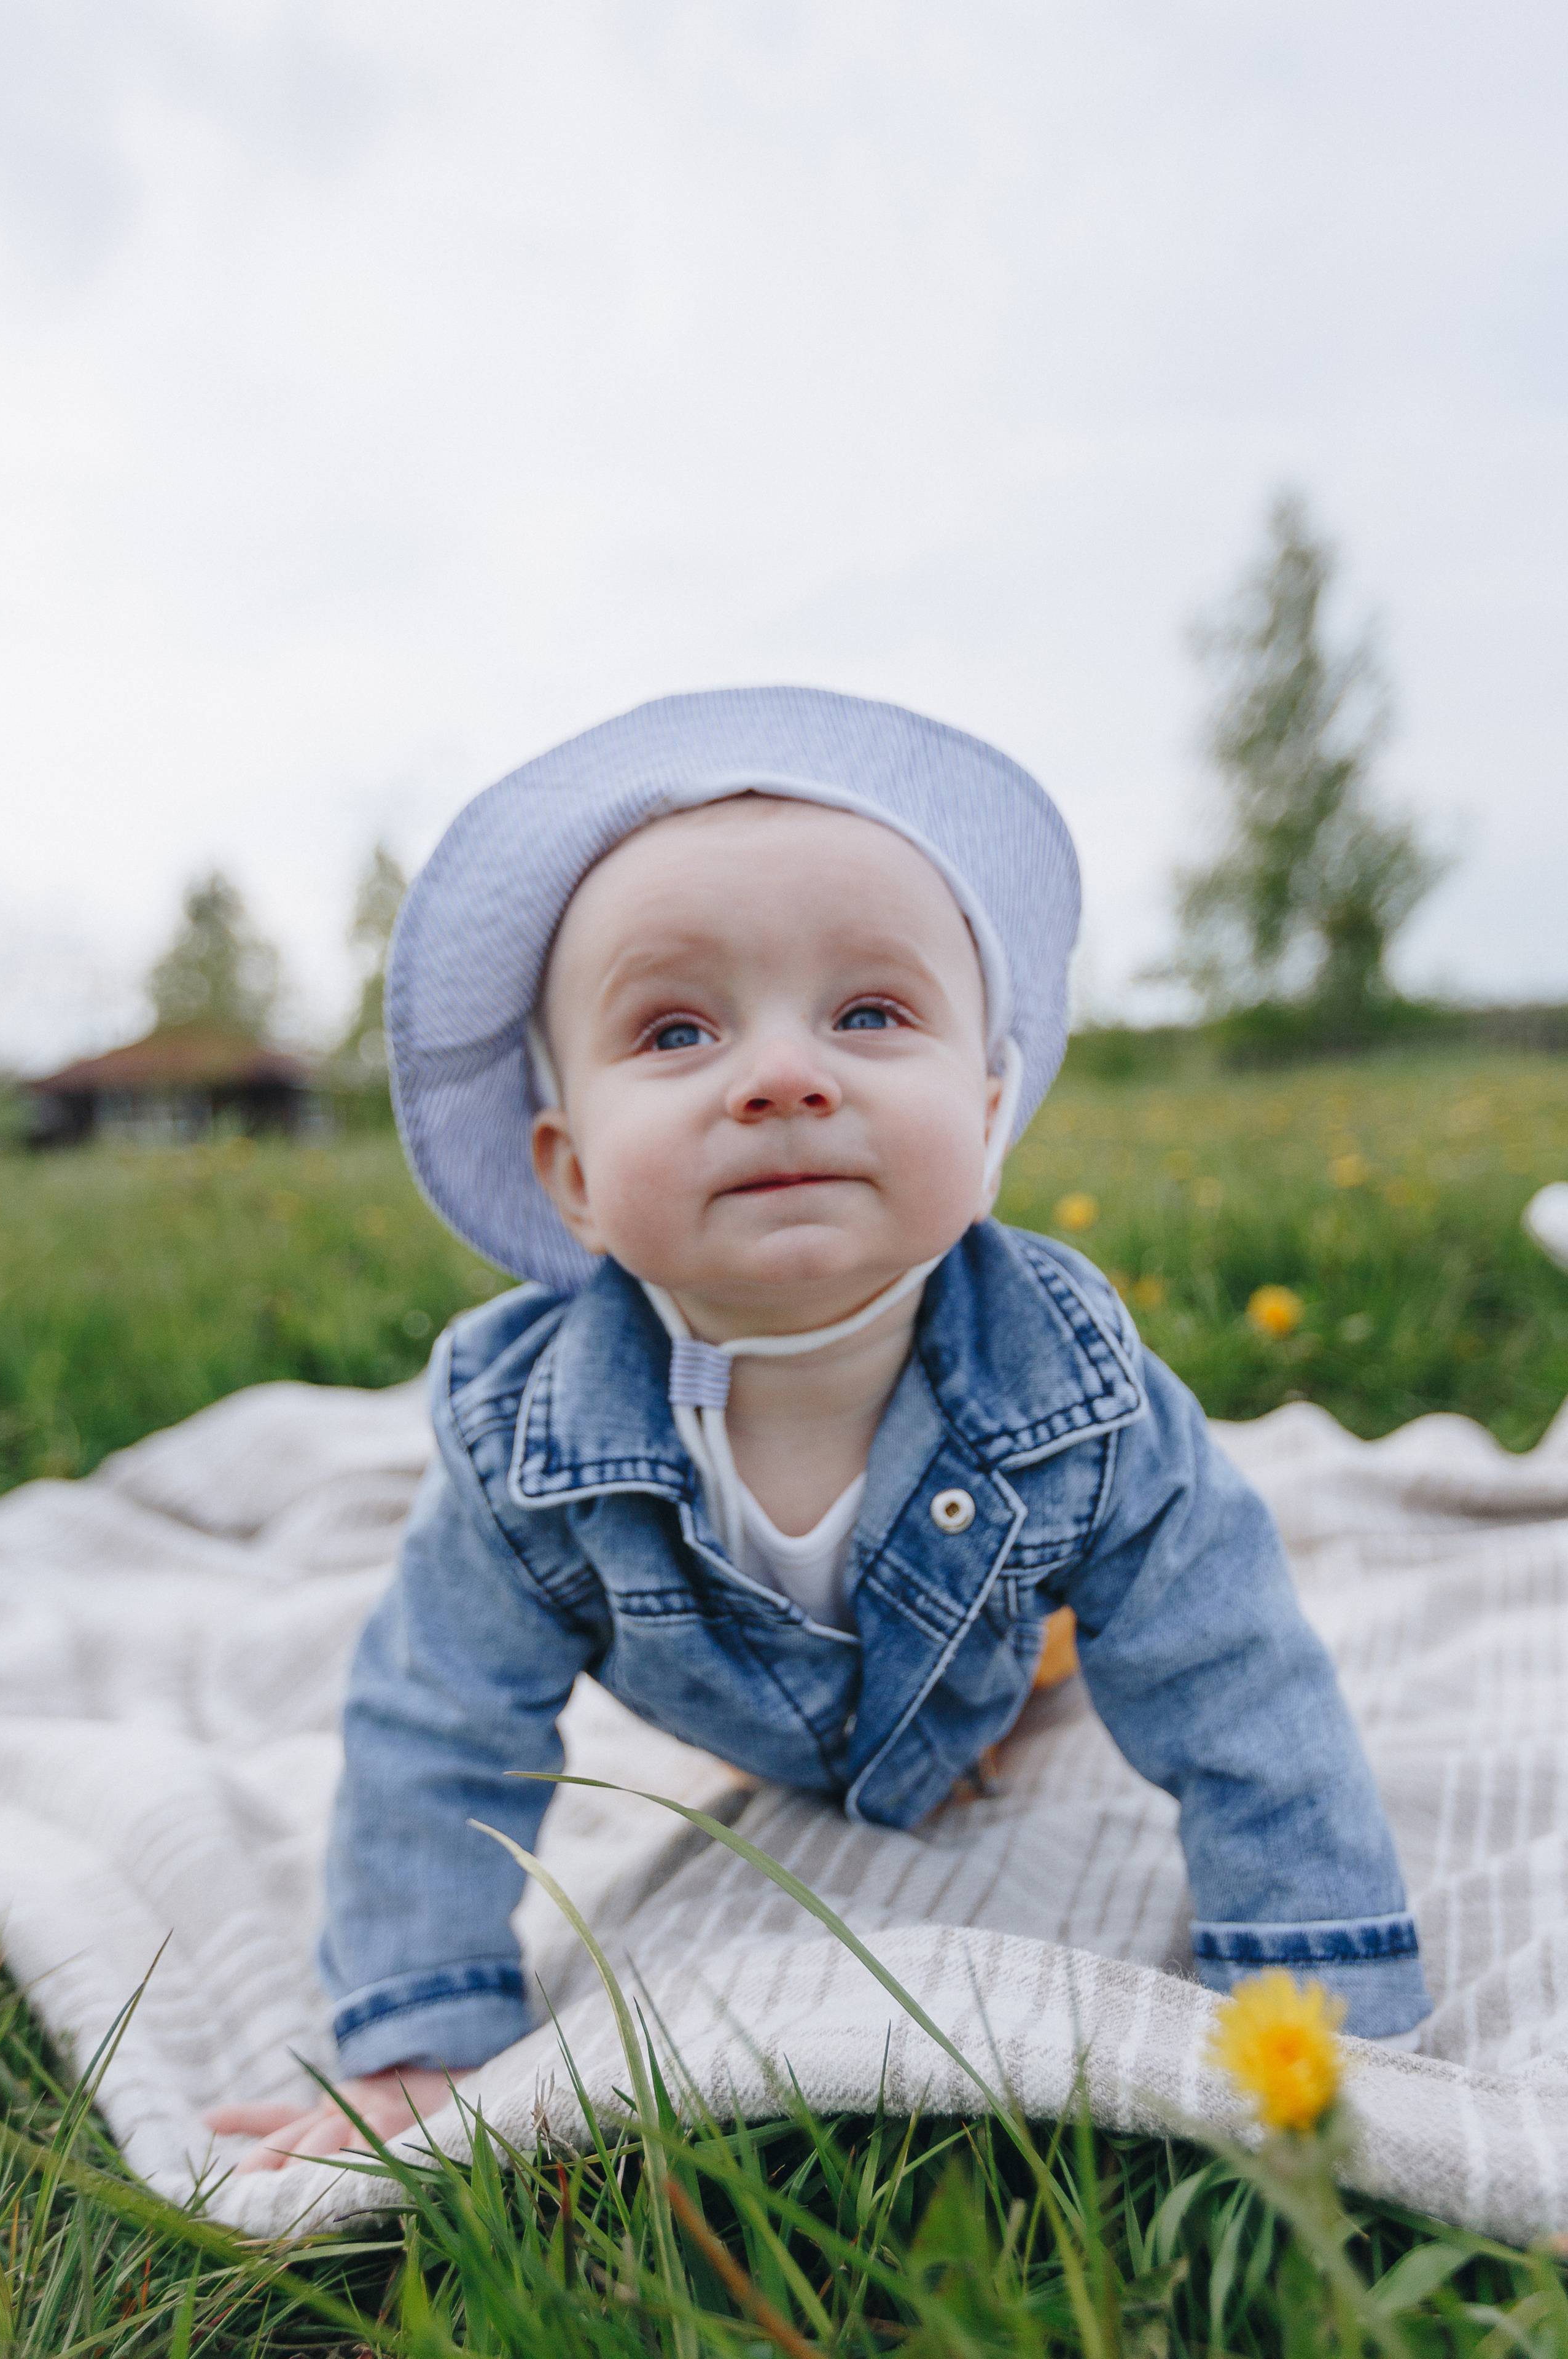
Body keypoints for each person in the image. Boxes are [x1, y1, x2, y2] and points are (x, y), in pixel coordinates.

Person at [209, 687, 1430, 2173]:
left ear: (985, 1119)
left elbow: (1233, 1674)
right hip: (751, 1718)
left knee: (1077, 1657)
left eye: (867, 1013)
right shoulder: (519, 1443)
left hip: (997, 1644)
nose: (783, 1077)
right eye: (676, 1029)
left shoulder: (1079, 1397)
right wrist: (417, 2040)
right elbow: (436, 1725)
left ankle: (1031, 1671)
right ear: (572, 1174)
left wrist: (1321, 1987)